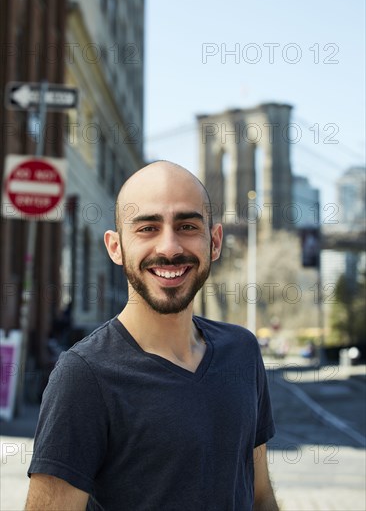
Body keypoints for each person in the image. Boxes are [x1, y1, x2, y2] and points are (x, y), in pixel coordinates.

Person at [26, 161, 278, 511]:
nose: (170, 247)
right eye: (147, 228)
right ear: (116, 247)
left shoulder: (243, 352)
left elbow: (261, 497)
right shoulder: (83, 376)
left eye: (188, 226)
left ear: (215, 242)